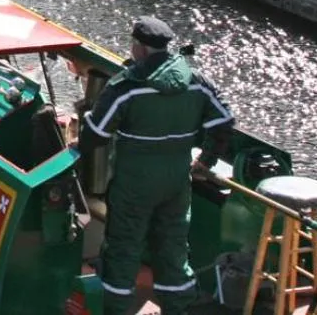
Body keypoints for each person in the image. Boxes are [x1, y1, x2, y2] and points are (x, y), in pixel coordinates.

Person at [78, 16, 234, 314]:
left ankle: (116, 309)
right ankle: (178, 307)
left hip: (133, 184)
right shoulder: (198, 82)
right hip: (177, 181)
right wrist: (205, 162)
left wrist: (84, 125)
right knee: (173, 250)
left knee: (123, 249)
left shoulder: (127, 86)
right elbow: (224, 123)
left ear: (139, 47)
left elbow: (95, 136)